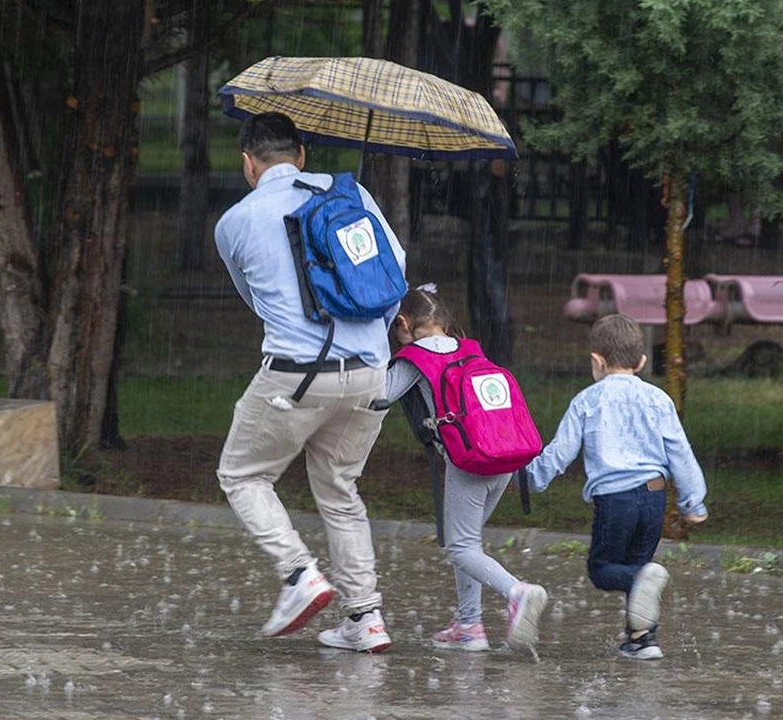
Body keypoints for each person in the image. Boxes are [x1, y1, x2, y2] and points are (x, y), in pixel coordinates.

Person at [214, 112, 405, 653]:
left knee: (243, 475)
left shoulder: (235, 222)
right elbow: (396, 272)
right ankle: (366, 618)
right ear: (302, 155)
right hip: (372, 372)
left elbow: (254, 300)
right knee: (341, 491)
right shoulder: (353, 197)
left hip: (297, 375)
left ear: (248, 164)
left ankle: (299, 575)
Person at [373, 286, 549, 652]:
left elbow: (379, 396)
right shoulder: (470, 349)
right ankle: (469, 625)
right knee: (468, 543)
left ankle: (517, 592)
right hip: (503, 456)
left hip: (468, 461)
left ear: (403, 323)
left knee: (461, 547)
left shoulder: (414, 357)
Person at [525, 313, 708, 660]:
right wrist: (693, 502)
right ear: (641, 361)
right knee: (638, 568)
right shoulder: (659, 399)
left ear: (597, 360)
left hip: (615, 500)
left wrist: (530, 479)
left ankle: (642, 595)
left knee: (604, 569)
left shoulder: (587, 401)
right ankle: (643, 639)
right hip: (654, 495)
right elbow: (680, 452)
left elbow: (560, 453)